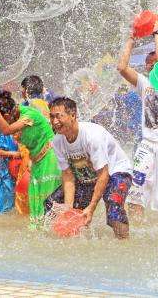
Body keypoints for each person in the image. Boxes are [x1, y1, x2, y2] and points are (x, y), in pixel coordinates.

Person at [117, 20, 158, 221]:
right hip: (147, 145)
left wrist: (157, 34)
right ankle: (137, 229)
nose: (151, 64)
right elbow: (122, 67)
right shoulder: (144, 84)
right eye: (149, 62)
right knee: (135, 191)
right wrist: (131, 38)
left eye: (154, 61)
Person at [46, 97, 133, 239]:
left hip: (116, 171)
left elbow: (104, 174)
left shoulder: (92, 137)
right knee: (52, 204)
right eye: (52, 117)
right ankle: (71, 242)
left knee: (113, 207)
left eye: (59, 116)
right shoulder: (58, 141)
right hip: (89, 176)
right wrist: (68, 208)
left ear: (73, 115)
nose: (55, 122)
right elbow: (68, 175)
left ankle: (124, 243)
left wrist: (91, 207)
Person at [0, 90, 61, 227]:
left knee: (48, 201)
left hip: (50, 157)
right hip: (36, 162)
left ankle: (54, 235)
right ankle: (37, 235)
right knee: (35, 203)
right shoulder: (12, 119)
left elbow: (7, 130)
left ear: (8, 115)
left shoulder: (28, 115)